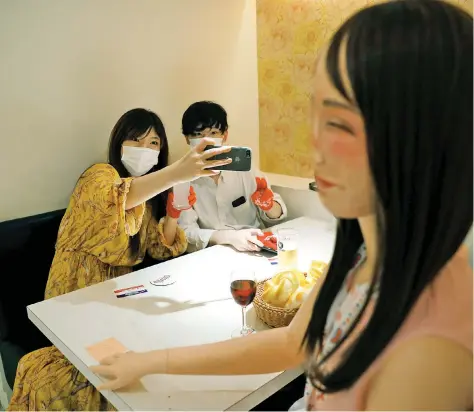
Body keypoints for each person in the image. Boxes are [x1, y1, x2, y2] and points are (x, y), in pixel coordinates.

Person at [90, 1, 473, 410]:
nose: (314, 143)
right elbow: (294, 342)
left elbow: (272, 215)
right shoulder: (363, 257)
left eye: (339, 121)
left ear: (425, 137)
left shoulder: (430, 353)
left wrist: (265, 203)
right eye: (315, 113)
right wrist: (152, 361)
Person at [7, 108, 232, 411]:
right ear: (119, 142)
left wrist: (174, 213)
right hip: (76, 293)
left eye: (153, 144)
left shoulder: (148, 198)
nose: (145, 149)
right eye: (135, 140)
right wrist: (179, 172)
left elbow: (162, 247)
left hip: (119, 300)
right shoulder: (99, 175)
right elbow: (116, 198)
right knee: (106, 377)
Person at [178, 101, 288, 252]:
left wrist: (268, 205)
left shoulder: (244, 168)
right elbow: (186, 232)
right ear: (187, 139)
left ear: (224, 135)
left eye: (213, 133)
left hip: (255, 247)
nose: (206, 140)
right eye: (198, 134)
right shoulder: (182, 179)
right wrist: (228, 237)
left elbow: (277, 215)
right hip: (212, 253)